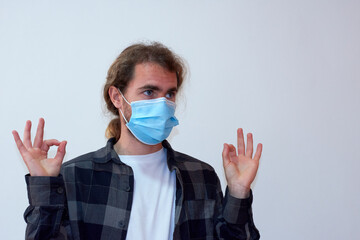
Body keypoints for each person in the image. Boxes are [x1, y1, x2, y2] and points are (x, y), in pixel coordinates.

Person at [12, 42, 263, 240]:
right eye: (149, 91)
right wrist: (44, 187)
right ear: (117, 97)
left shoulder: (200, 176)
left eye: (170, 94)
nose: (162, 103)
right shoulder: (76, 175)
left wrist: (239, 193)